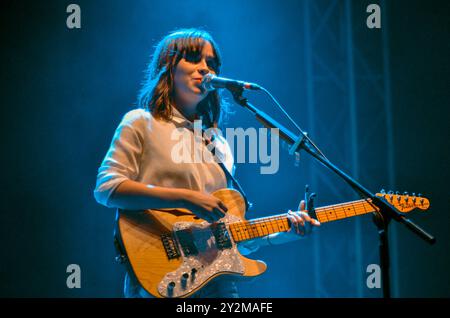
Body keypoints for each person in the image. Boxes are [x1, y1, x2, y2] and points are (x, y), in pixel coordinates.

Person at [93, 28, 320, 298]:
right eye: (193, 59)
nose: (204, 68)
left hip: (219, 285)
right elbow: (107, 188)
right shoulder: (141, 122)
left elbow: (228, 235)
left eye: (211, 63)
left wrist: (286, 231)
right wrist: (188, 199)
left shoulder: (218, 142)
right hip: (161, 276)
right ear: (168, 65)